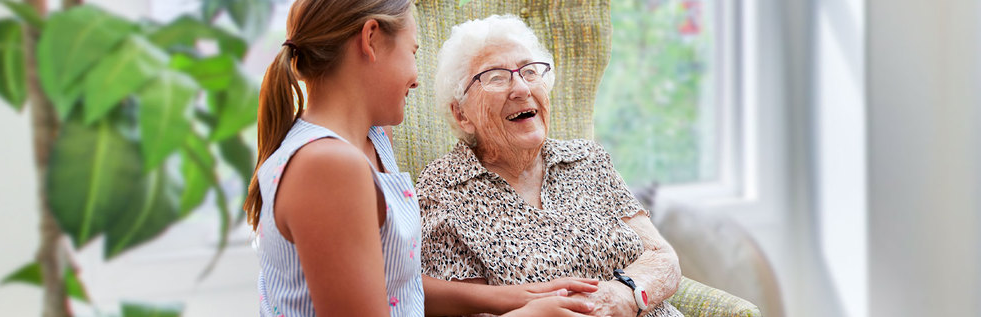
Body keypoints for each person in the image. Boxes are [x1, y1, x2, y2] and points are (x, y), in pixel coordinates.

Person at [242, 1, 598, 316]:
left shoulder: (372, 139)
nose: (416, 79)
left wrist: (510, 298)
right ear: (371, 40)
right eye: (413, 52)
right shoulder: (328, 166)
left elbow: (397, 289)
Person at [417, 15, 685, 317]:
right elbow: (469, 308)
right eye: (496, 77)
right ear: (461, 114)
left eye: (530, 71)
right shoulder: (444, 189)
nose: (520, 88)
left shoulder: (588, 159)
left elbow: (662, 257)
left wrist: (626, 294)